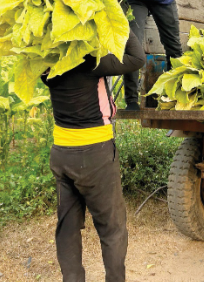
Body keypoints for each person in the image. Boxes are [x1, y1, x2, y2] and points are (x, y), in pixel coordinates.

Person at [42, 30, 146, 282]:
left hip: (61, 153)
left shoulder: (47, 67)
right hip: (94, 155)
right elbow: (137, 58)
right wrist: (119, 21)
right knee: (112, 229)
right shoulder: (92, 62)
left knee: (67, 227)